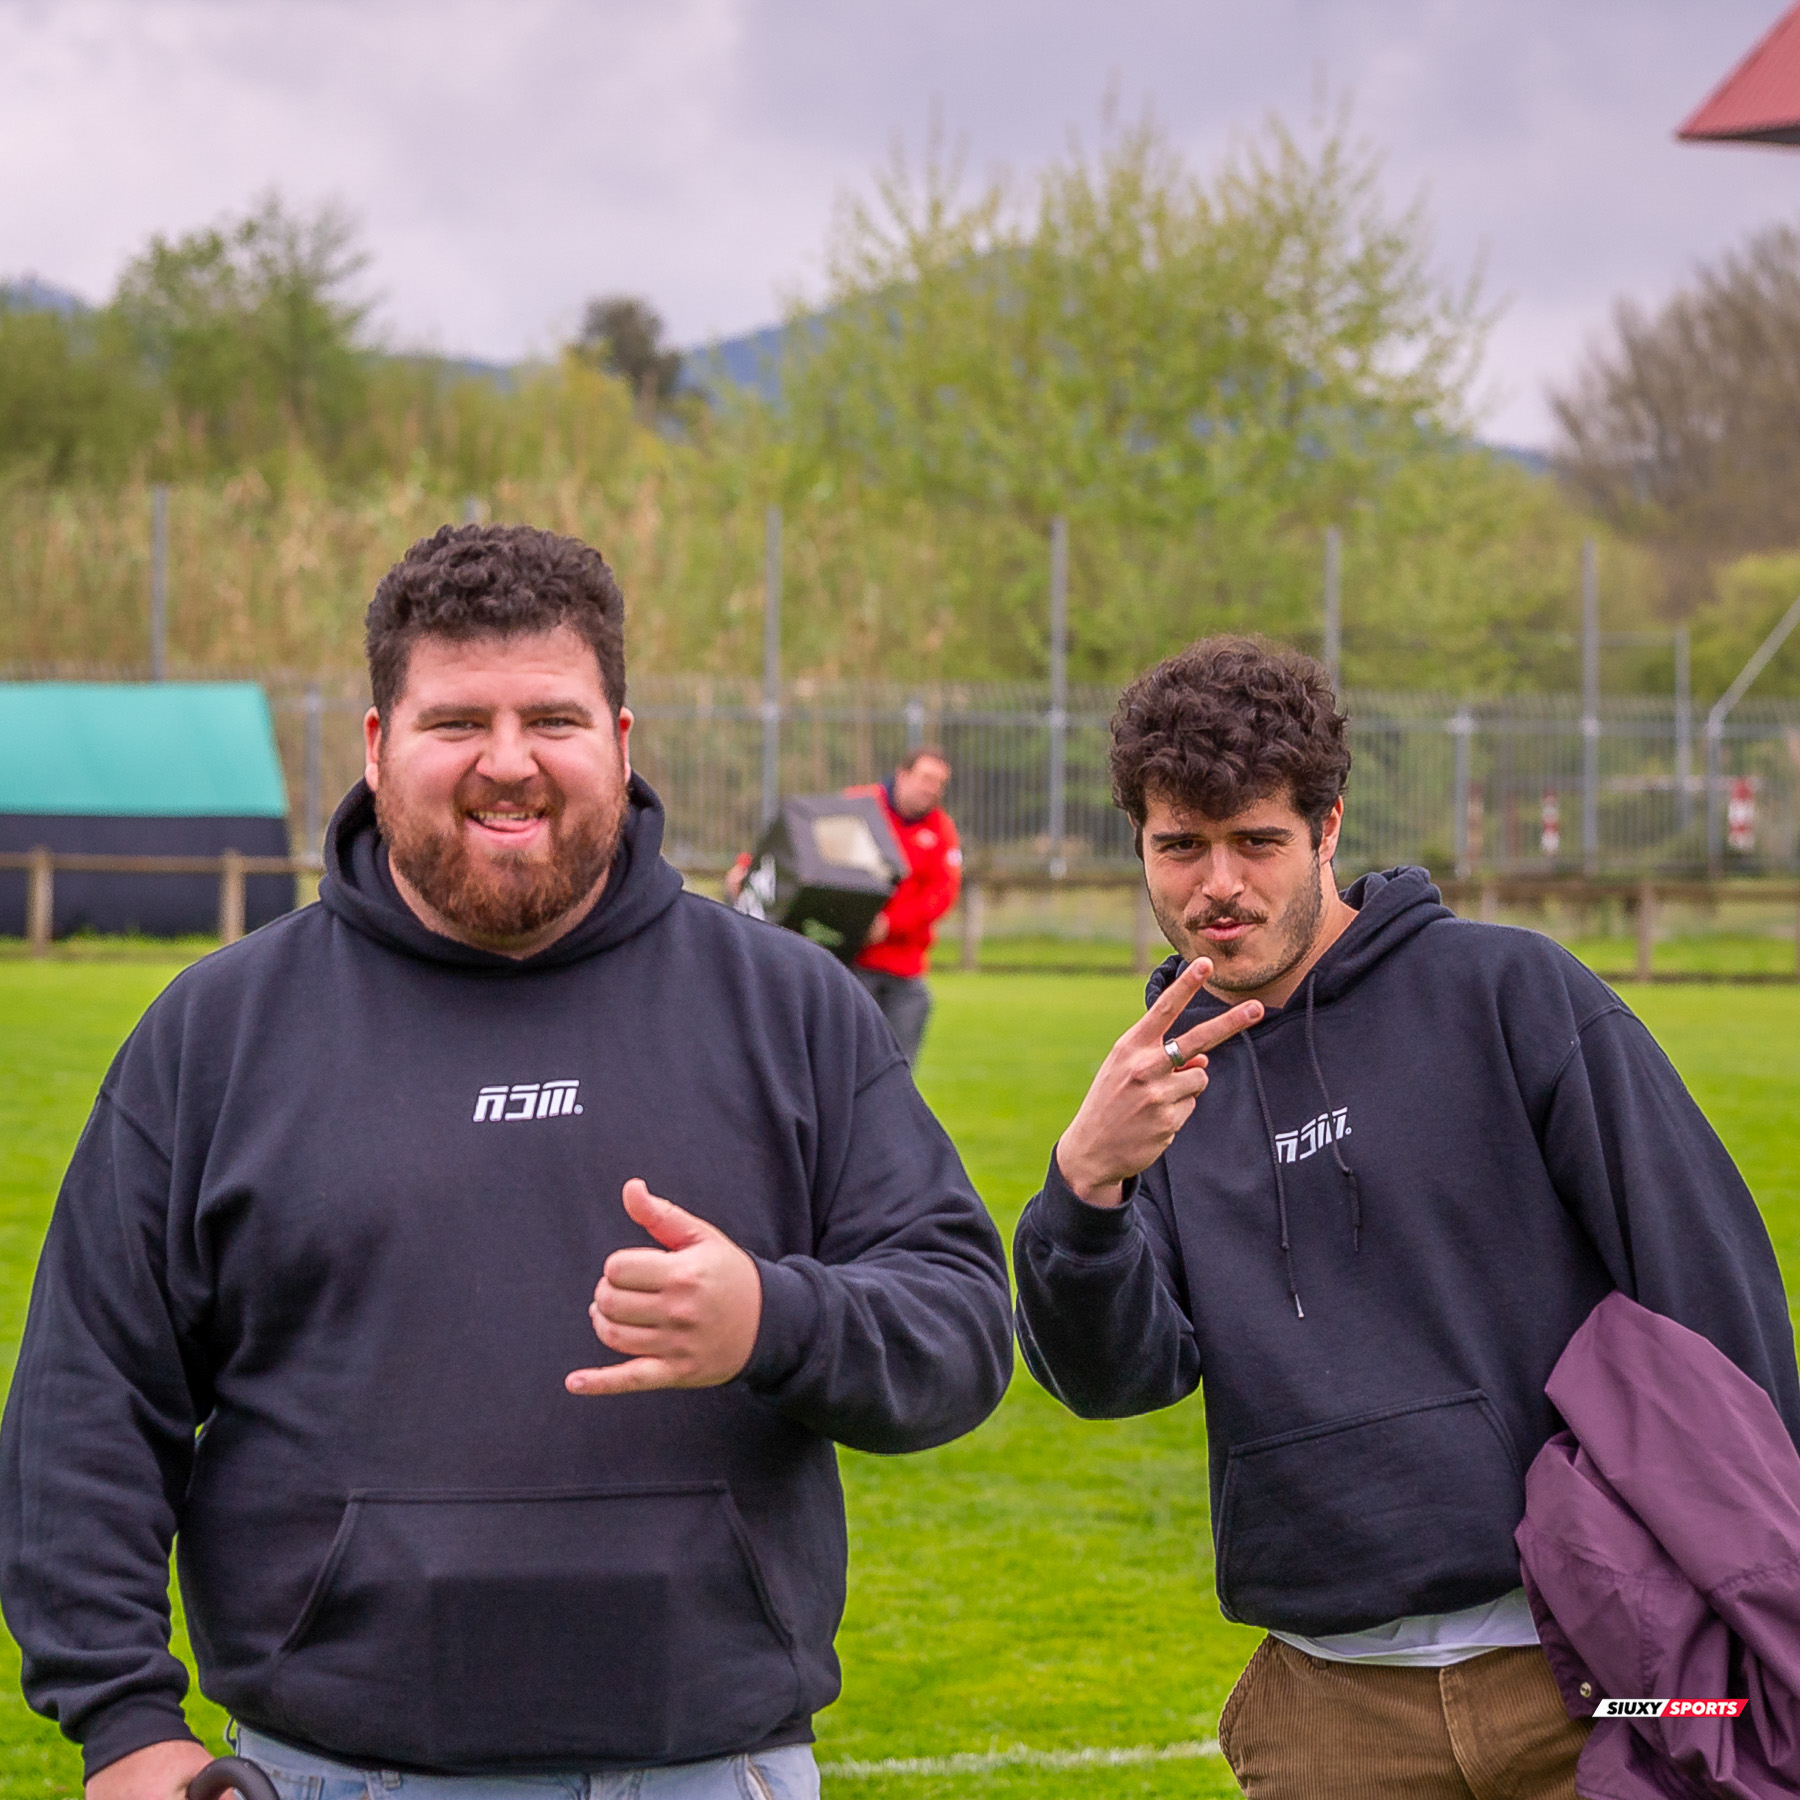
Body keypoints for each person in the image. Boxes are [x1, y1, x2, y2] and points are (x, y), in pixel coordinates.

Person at [0, 525, 1013, 1800]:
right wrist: (123, 1725)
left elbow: (967, 1329)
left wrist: (777, 1316)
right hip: (324, 1773)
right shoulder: (219, 1032)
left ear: (623, 740)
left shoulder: (788, 1007)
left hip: (709, 1768)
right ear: (375, 747)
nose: (508, 763)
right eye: (455, 722)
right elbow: (88, 1399)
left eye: (553, 717)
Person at [1012, 636, 1800, 1800]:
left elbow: (1710, 1291)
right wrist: (1084, 1194)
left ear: (1328, 830)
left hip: (1585, 1675)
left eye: (1257, 842)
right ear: (1139, 841)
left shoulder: (1512, 994)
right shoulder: (1155, 1087)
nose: (1216, 884)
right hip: (1329, 1712)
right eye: (1180, 846)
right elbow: (1118, 1378)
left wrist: (1754, 1604)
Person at [728, 748, 961, 1068]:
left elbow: (942, 894)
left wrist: (890, 925)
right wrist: (749, 868)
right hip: (851, 964)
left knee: (899, 1074)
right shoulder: (860, 805)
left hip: (905, 971)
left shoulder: (941, 831)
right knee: (838, 1067)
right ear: (902, 775)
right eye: (926, 779)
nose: (931, 789)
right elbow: (803, 842)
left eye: (940, 783)